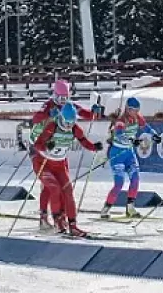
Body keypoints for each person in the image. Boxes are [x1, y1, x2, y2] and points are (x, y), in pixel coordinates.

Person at [31, 80, 97, 229]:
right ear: (55, 95)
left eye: (65, 97)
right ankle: (44, 216)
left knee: (64, 187)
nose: (63, 100)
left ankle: (64, 217)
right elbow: (35, 119)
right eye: (60, 97)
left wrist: (95, 111)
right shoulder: (50, 105)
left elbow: (87, 115)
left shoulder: (70, 108)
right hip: (43, 147)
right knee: (49, 186)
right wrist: (48, 114)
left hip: (59, 154)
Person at [100, 97, 161, 219]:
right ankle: (106, 208)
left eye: (137, 110)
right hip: (117, 154)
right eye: (133, 110)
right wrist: (132, 140)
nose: (135, 112)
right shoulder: (121, 121)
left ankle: (130, 208)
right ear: (127, 109)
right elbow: (119, 134)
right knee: (119, 183)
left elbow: (146, 127)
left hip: (129, 153)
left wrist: (154, 135)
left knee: (135, 179)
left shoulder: (137, 117)